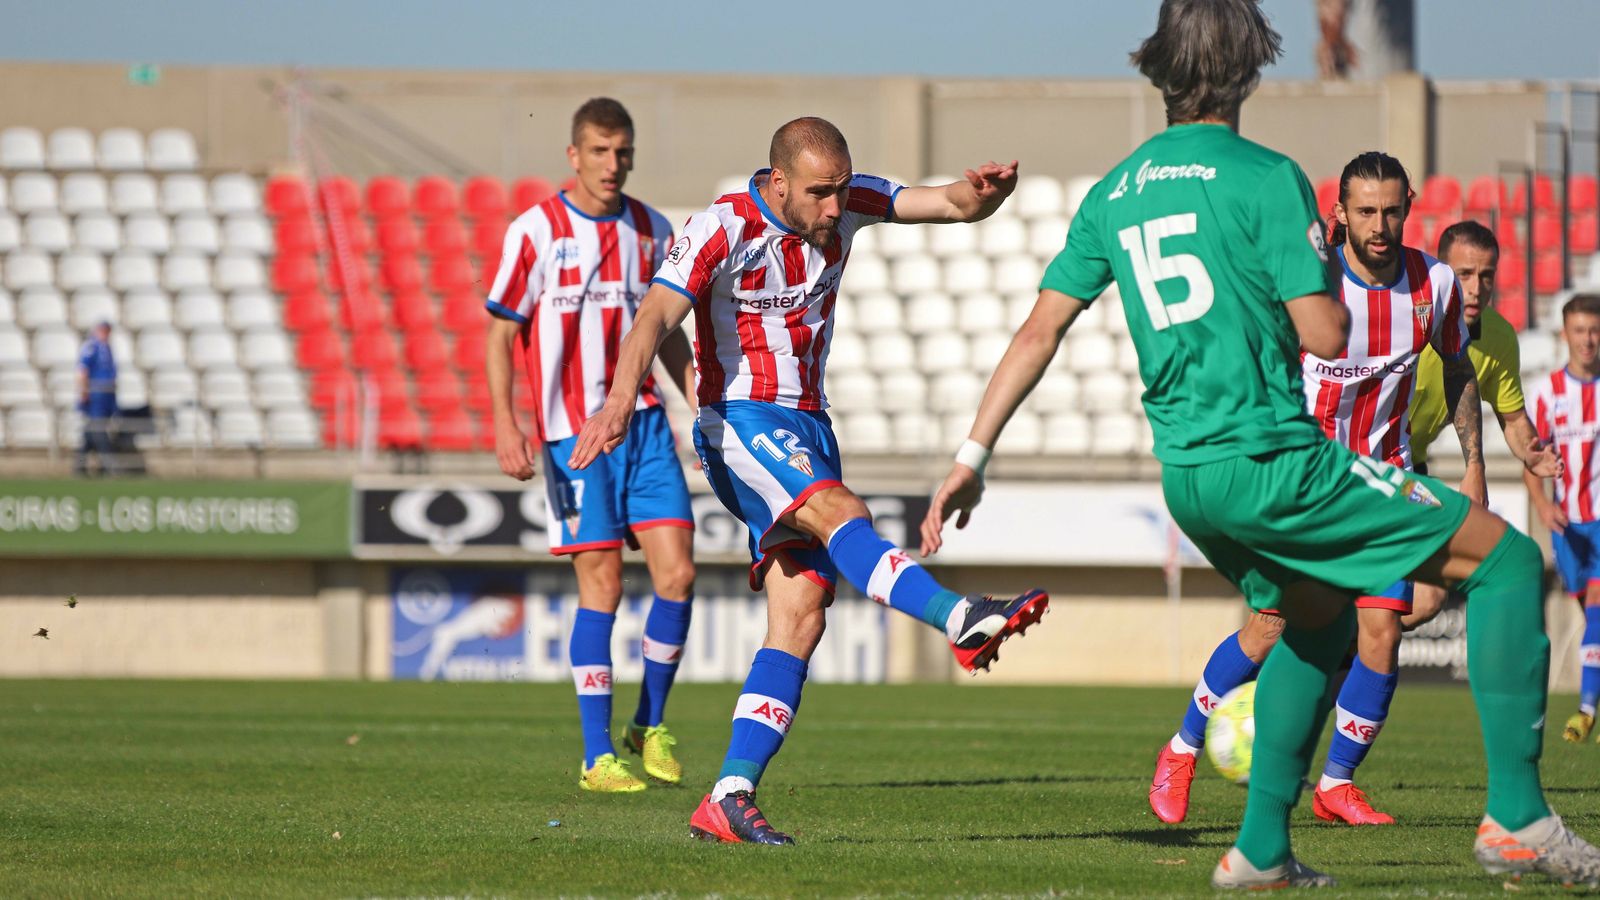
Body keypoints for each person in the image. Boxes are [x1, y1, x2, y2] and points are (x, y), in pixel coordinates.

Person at [920, 0, 1600, 888]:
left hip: (1190, 478)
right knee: (1506, 562)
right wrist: (1314, 268)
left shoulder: (1114, 191)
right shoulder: (1268, 176)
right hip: (1278, 461)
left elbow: (1037, 333)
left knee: (1316, 625)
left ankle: (1261, 851)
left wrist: (971, 460)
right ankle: (1517, 817)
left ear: (1157, 65)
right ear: (1248, 67)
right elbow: (1323, 335)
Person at [569, 116, 1049, 845]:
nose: (835, 208)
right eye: (821, 194)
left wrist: (983, 197)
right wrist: (616, 400)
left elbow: (948, 204)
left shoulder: (846, 201)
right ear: (780, 182)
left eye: (841, 191)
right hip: (737, 421)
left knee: (802, 614)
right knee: (836, 510)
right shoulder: (721, 229)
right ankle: (958, 617)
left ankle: (728, 795)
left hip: (810, 427)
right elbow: (652, 319)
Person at [1145, 151, 1510, 829]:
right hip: (1304, 480)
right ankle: (1181, 748)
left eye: (1392, 211)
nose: (1379, 225)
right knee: (1270, 625)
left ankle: (1336, 784)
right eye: (1365, 211)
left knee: (1381, 633)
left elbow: (1459, 369)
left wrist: (1474, 463)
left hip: (1383, 482)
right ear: (1338, 213)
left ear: (1407, 209)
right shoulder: (1307, 283)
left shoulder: (1432, 284)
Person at [484, 97, 699, 794]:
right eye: (600, 152)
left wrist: (702, 406)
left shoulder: (652, 230)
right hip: (571, 435)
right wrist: (505, 423)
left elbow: (667, 333)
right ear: (573, 155)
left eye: (623, 151)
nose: (614, 164)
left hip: (643, 425)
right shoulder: (535, 231)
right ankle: (595, 756)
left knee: (679, 576)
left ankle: (650, 724)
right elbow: (499, 334)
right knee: (601, 583)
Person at [1405, 220, 1561, 629]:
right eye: (1464, 274)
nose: (1476, 287)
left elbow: (1513, 419)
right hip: (1360, 460)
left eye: (1486, 275)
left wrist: (1531, 449)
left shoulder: (1498, 337)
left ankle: (1344, 657)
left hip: (1412, 467)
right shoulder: (1406, 315)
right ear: (1441, 273)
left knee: (1425, 599)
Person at [1526, 294, 1600, 744]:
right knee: (1591, 615)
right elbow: (1532, 459)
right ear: (1564, 335)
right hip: (1568, 525)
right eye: (1580, 330)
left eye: (1595, 330)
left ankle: (1586, 709)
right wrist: (1542, 503)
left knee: (1596, 605)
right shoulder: (1546, 392)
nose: (1588, 340)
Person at [74, 320, 119, 476]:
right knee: (98, 429)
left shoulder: (106, 347)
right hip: (96, 395)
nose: (106, 334)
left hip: (107, 395)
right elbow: (82, 370)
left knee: (91, 431)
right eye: (103, 330)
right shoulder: (91, 347)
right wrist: (84, 391)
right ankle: (108, 465)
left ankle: (79, 466)